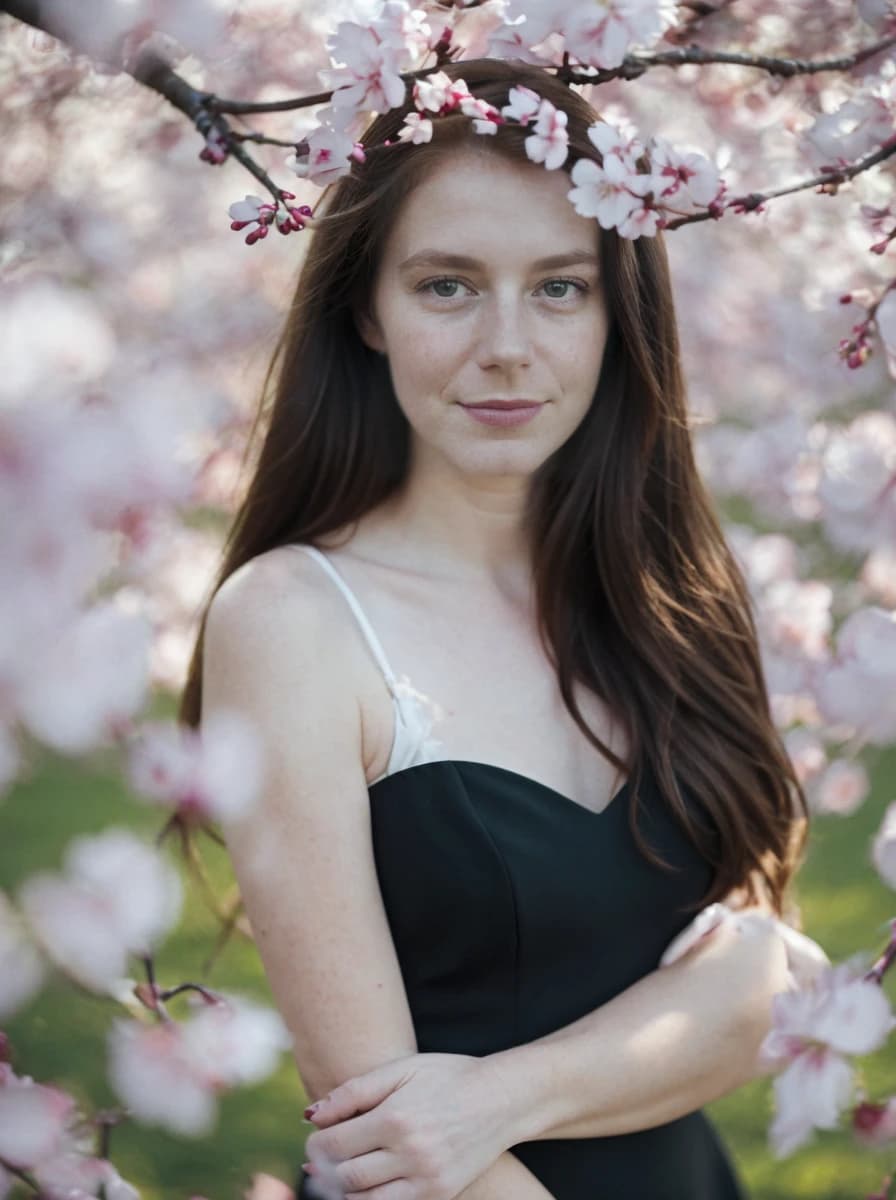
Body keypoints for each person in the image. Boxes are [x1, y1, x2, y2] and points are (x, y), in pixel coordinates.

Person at [180, 57, 813, 1200]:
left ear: (619, 314)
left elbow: (766, 970)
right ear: (365, 310)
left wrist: (495, 1097)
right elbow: (392, 1140)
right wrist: (481, 1123)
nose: (507, 346)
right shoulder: (291, 623)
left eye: (559, 288)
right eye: (446, 286)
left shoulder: (667, 590)